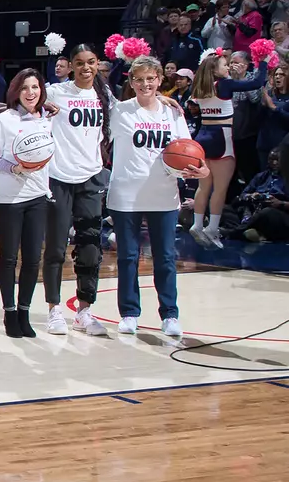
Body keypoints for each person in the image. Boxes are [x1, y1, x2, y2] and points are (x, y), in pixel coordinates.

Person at [109, 55, 208, 339]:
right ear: (131, 82)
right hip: (126, 195)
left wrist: (198, 170)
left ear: (159, 80)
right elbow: (99, 91)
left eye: (150, 78)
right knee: (128, 257)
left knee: (165, 257)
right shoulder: (120, 111)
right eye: (138, 79)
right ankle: (129, 313)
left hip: (164, 194)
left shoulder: (173, 113)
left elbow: (189, 153)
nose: (145, 84)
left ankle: (170, 314)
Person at [43, 43, 109, 336]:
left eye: (91, 62)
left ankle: (84, 310)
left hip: (92, 178)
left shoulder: (105, 96)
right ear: (70, 65)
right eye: (79, 63)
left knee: (91, 247)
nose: (85, 68)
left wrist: (163, 100)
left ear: (98, 64)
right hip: (58, 177)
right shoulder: (56, 92)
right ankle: (54, 309)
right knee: (56, 247)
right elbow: (22, 96)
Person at [0, 69, 53, 338]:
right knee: (9, 257)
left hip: (38, 196)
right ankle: (9, 313)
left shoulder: (48, 120)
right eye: (25, 88)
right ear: (16, 91)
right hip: (8, 198)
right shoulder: (4, 120)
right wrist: (15, 168)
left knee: (34, 258)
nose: (30, 93)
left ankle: (25, 311)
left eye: (35, 87)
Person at [188, 50, 268, 247]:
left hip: (202, 137)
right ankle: (212, 229)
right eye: (225, 65)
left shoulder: (200, 86)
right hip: (221, 139)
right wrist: (263, 62)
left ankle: (197, 224)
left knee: (203, 187)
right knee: (220, 189)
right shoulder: (225, 84)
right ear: (215, 70)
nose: (228, 68)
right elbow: (257, 83)